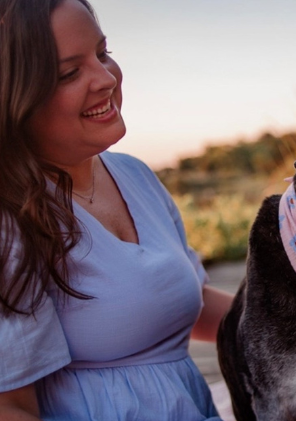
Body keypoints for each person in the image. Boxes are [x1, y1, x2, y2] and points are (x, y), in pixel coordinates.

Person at [0, 0, 234, 419]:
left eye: (103, 53)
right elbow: (11, 408)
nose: (106, 78)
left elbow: (188, 299)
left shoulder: (136, 175)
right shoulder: (10, 217)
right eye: (70, 73)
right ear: (14, 97)